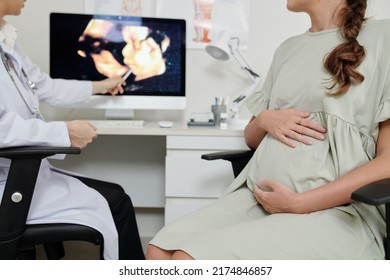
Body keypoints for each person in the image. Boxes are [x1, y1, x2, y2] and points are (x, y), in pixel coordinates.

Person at [147, 0, 390, 260]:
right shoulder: (288, 49)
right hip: (258, 200)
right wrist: (263, 119)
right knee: (158, 251)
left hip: (336, 211)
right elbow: (252, 138)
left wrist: (299, 203)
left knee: (188, 260)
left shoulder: (382, 37)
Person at [0, 0, 145, 260]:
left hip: (21, 174)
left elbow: (44, 86)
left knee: (118, 193)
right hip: (9, 185)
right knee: (118, 203)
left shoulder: (8, 42)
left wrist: (99, 86)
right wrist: (63, 132)